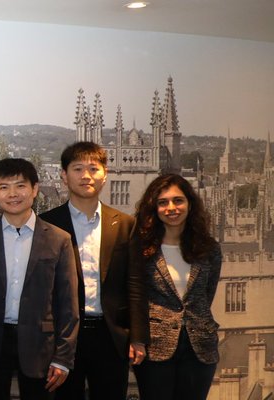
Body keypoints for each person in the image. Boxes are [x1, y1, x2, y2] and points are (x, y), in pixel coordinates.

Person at [0, 158, 79, 400]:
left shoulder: (59, 239)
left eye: (20, 185)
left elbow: (68, 305)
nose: (13, 194)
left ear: (35, 189)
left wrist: (63, 358)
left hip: (41, 345)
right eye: (4, 187)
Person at [39, 141, 141, 400]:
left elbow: (135, 284)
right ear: (64, 175)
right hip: (63, 338)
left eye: (94, 168)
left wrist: (138, 337)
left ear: (105, 175)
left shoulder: (125, 225)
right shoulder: (46, 225)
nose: (86, 175)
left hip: (110, 336)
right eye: (78, 168)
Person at [127, 173, 221, 400]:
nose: (171, 208)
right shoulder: (141, 247)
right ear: (154, 208)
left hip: (199, 348)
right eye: (163, 202)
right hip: (155, 348)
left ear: (189, 203)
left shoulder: (209, 248)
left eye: (178, 200)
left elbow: (205, 296)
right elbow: (134, 295)